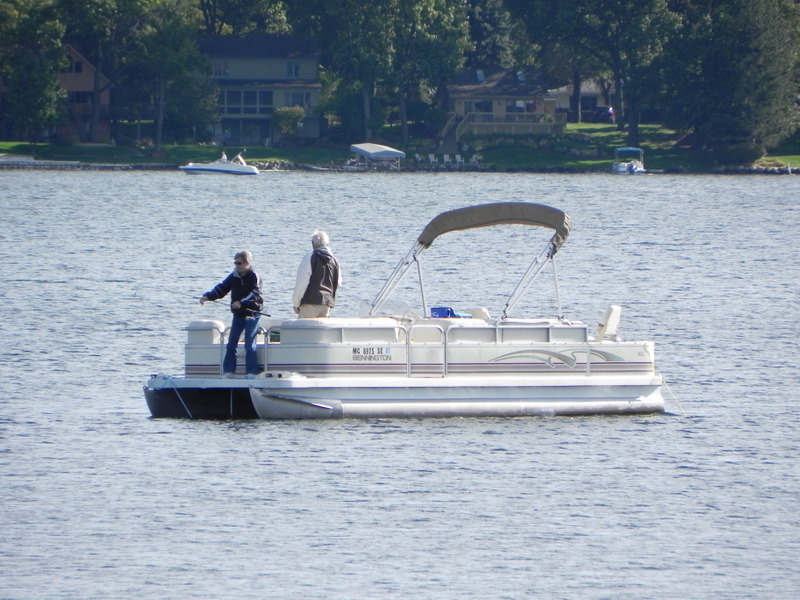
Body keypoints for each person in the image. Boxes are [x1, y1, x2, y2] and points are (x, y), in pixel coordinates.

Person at [200, 250, 263, 378]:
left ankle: (251, 373)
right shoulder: (233, 276)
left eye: (239, 263)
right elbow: (222, 288)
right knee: (231, 343)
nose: (236, 265)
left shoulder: (254, 276)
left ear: (247, 263)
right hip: (238, 314)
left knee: (249, 345)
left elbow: (255, 293)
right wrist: (207, 296)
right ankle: (229, 372)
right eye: (235, 263)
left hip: (252, 314)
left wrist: (241, 302)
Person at [292, 230, 341, 318]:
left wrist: (296, 303)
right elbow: (337, 283)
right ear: (327, 243)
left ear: (312, 244)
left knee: (304, 327)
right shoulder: (334, 260)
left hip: (309, 303)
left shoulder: (310, 257)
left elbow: (302, 282)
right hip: (326, 303)